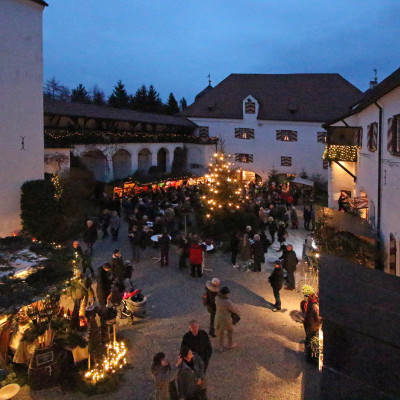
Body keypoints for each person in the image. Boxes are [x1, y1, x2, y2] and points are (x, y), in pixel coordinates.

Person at [215, 286, 240, 352]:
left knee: (220, 332)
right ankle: (230, 344)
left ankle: (220, 346)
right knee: (230, 331)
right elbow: (234, 310)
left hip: (218, 317)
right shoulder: (227, 302)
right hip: (226, 319)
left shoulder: (217, 298)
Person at [303, 293, 322, 363]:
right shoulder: (315, 307)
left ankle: (308, 354)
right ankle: (310, 358)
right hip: (312, 326)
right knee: (311, 341)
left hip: (307, 324)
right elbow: (318, 319)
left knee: (308, 338)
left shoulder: (311, 304)